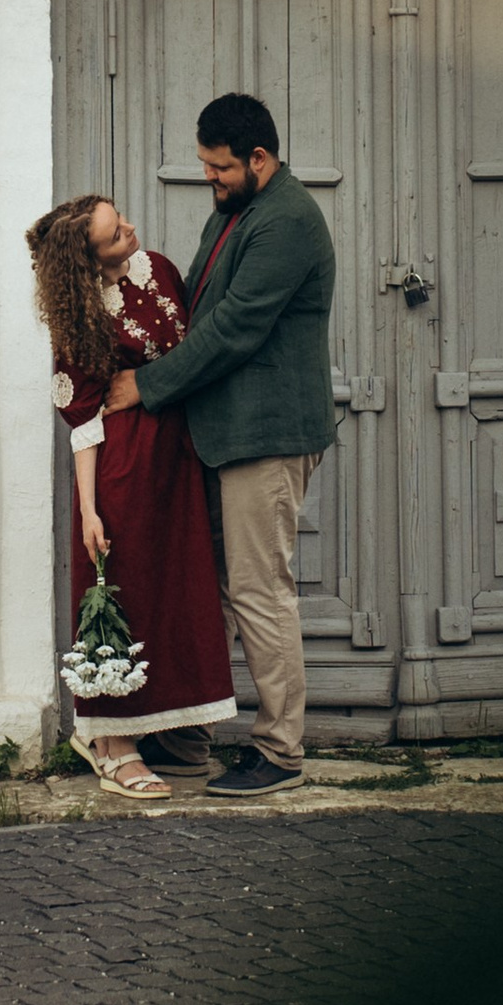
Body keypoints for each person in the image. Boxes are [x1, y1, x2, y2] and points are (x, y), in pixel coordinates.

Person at [100, 91, 337, 800]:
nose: (211, 177)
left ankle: (281, 751)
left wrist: (146, 386)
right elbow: (197, 311)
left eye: (220, 167)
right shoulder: (239, 212)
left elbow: (234, 327)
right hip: (221, 435)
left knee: (261, 592)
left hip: (264, 437)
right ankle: (187, 733)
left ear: (259, 158)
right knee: (211, 588)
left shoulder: (288, 221)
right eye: (206, 166)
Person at [25, 193, 237, 803]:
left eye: (122, 221)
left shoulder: (160, 268)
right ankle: (109, 745)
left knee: (176, 593)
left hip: (179, 462)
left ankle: (168, 731)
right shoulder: (80, 313)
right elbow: (85, 419)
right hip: (122, 471)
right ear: (88, 259)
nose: (132, 230)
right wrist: (89, 510)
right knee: (122, 596)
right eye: (116, 233)